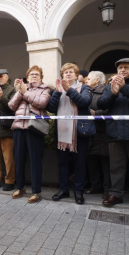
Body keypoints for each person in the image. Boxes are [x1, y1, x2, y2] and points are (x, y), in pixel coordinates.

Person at [46, 63, 92, 205]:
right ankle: (64, 189)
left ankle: (78, 191)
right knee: (63, 163)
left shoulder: (84, 88)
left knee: (79, 164)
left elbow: (84, 102)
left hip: (79, 133)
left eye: (71, 71)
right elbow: (51, 109)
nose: (67, 74)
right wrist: (59, 92)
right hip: (62, 134)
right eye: (65, 72)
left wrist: (69, 91)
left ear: (76, 74)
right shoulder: (58, 90)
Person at [8, 65, 51, 203]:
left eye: (36, 74)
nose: (33, 76)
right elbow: (11, 106)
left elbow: (41, 103)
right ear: (27, 76)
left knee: (35, 161)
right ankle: (20, 188)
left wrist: (25, 93)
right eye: (31, 74)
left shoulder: (45, 89)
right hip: (19, 127)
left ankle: (36, 191)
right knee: (19, 159)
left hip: (34, 129)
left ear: (41, 77)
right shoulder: (22, 89)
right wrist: (20, 92)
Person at [98, 58, 129, 206]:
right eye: (120, 68)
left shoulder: (127, 85)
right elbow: (100, 103)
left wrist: (123, 88)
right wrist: (113, 93)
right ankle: (116, 194)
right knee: (116, 167)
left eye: (127, 67)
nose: (123, 70)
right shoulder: (110, 85)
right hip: (115, 132)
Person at [84, 71, 110, 199]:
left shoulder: (107, 91)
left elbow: (110, 109)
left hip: (102, 131)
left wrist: (96, 114)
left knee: (105, 161)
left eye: (88, 79)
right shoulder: (87, 92)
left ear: (97, 80)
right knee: (92, 160)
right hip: (90, 131)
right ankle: (95, 186)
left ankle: (107, 189)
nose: (86, 81)